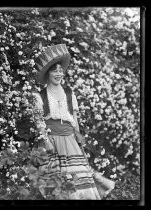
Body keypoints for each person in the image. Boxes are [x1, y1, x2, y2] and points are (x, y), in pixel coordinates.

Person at [32, 44, 115, 199]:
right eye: (54, 70)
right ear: (48, 74)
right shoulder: (40, 96)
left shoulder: (70, 94)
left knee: (79, 180)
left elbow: (74, 120)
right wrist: (45, 141)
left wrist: (78, 137)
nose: (58, 73)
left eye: (60, 70)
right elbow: (39, 121)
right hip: (52, 141)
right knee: (57, 183)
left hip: (70, 140)